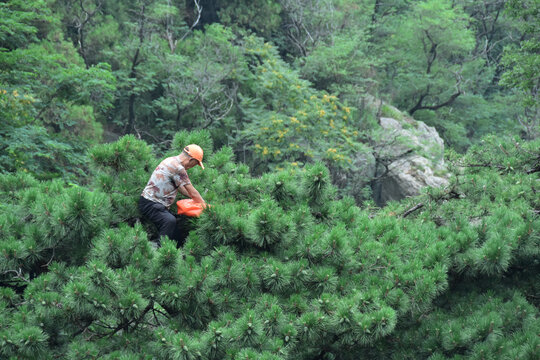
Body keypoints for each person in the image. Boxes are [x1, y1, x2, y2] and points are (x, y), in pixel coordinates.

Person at [139, 144, 206, 246]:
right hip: (151, 204)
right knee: (169, 221)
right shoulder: (178, 168)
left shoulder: (170, 160)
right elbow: (192, 191)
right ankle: (159, 252)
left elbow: (182, 189)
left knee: (177, 235)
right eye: (195, 164)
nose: (192, 167)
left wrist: (195, 199)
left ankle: (178, 254)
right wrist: (205, 206)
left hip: (151, 203)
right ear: (191, 160)